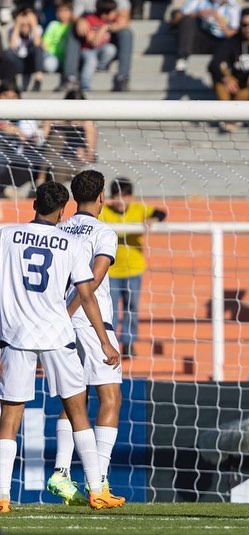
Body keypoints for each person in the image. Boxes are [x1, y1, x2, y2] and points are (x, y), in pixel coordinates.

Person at [0, 181, 123, 513]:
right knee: (78, 408)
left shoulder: (6, 235)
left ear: (33, 204)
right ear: (62, 210)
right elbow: (87, 292)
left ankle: (2, 496)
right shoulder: (70, 243)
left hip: (16, 336)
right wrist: (104, 340)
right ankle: (97, 490)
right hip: (58, 333)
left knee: (10, 415)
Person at [47, 170, 124, 506]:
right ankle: (101, 481)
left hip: (57, 324)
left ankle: (62, 472)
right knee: (111, 397)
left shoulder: (58, 229)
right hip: (91, 323)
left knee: (75, 397)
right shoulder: (104, 232)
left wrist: (59, 318)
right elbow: (91, 280)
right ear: (102, 197)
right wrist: (73, 315)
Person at [99, 177, 167, 357]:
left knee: (132, 307)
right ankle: (110, 342)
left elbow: (161, 213)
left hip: (134, 270)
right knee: (110, 309)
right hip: (110, 271)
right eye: (117, 197)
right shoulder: (104, 213)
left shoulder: (139, 209)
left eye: (125, 196)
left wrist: (153, 219)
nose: (121, 201)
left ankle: (128, 343)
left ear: (131, 197)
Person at [62, 0, 134, 92]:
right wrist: (81, 21)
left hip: (110, 35)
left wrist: (105, 28)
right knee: (73, 30)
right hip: (88, 36)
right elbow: (74, 16)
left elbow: (125, 21)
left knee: (126, 33)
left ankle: (122, 78)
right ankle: (70, 78)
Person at [36, 88, 97, 188]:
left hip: (74, 161)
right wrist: (50, 122)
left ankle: (41, 180)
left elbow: (90, 156)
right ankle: (42, 178)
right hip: (51, 159)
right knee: (56, 138)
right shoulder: (56, 119)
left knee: (59, 166)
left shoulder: (87, 124)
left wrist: (83, 153)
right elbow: (40, 140)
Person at [173, 0, 241, 73]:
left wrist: (218, 19)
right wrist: (197, 14)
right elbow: (176, 19)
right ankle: (182, 59)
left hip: (222, 42)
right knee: (187, 20)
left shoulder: (233, 6)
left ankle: (227, 63)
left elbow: (233, 34)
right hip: (200, 40)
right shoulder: (197, 1)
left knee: (231, 42)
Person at [77, 0, 119, 92]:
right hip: (87, 50)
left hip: (101, 50)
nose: (116, 14)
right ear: (105, 14)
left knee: (110, 49)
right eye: (113, 12)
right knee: (91, 60)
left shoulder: (110, 22)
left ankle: (100, 67)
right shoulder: (90, 19)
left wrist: (105, 27)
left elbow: (122, 24)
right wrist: (101, 31)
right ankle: (85, 85)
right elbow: (93, 42)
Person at [3, 6, 44, 92]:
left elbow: (37, 44)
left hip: (32, 63)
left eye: (27, 25)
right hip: (19, 63)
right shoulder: (13, 31)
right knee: (7, 53)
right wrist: (18, 25)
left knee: (38, 49)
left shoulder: (37, 29)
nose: (25, 27)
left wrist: (33, 25)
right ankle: (11, 81)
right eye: (23, 25)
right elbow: (12, 47)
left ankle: (38, 80)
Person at [42, 0, 74, 83]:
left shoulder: (72, 26)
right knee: (49, 65)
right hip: (53, 56)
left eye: (66, 11)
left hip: (68, 59)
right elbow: (45, 43)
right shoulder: (53, 25)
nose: (63, 14)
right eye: (60, 11)